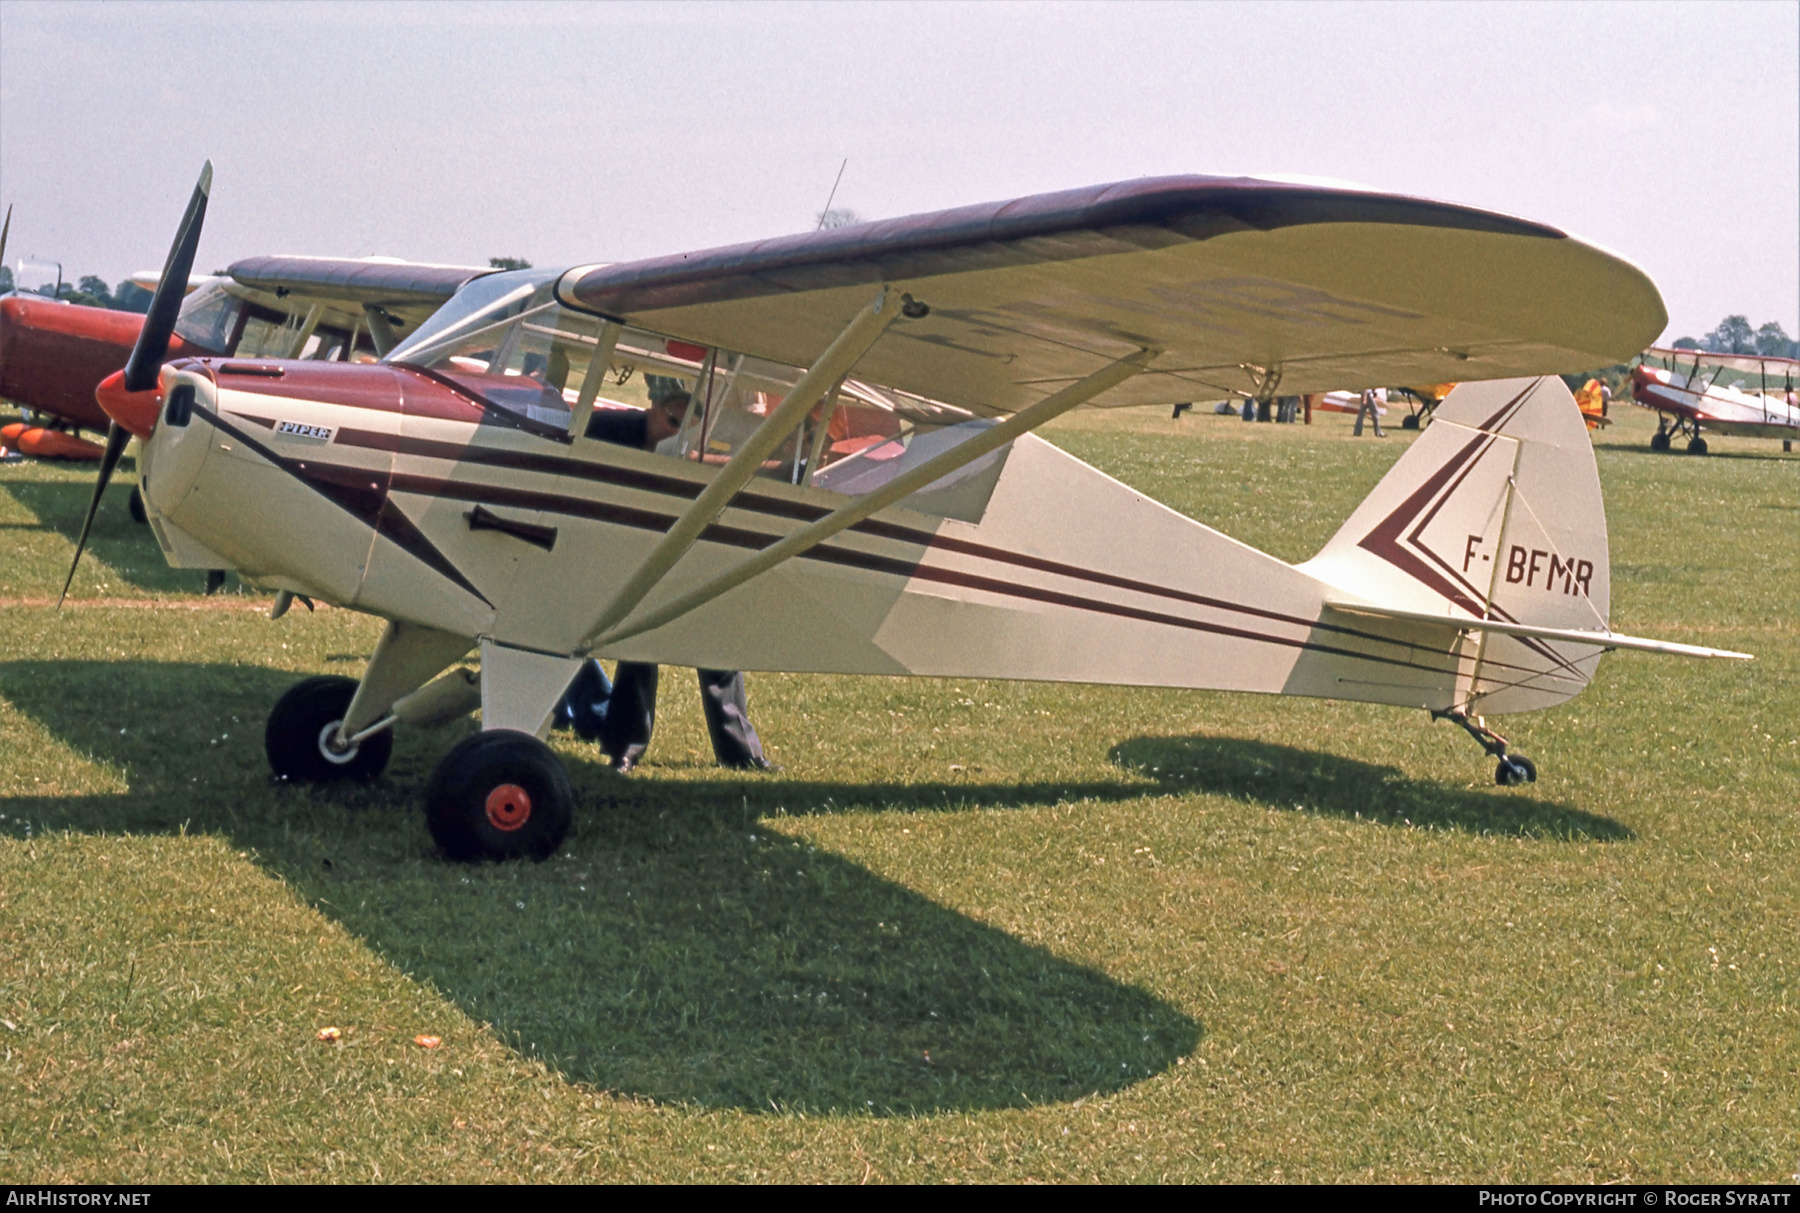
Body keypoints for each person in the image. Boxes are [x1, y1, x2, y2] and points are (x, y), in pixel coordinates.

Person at [559, 388, 771, 773]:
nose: (673, 432)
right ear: (653, 408)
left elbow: (713, 466)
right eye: (671, 421)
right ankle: (624, 748)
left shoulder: (683, 453)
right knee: (638, 647)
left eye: (683, 428)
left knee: (716, 648)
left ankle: (742, 753)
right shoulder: (610, 428)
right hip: (625, 552)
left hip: (684, 552)